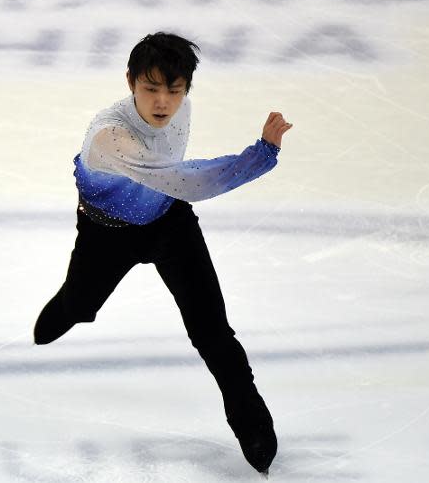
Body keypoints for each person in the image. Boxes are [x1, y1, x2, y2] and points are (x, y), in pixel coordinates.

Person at [34, 32, 293, 475]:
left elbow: (175, 184)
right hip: (106, 233)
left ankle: (253, 426)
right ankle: (70, 305)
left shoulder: (180, 108)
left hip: (170, 225)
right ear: (130, 81)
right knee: (79, 304)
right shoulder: (110, 137)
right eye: (151, 88)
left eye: (174, 91)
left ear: (186, 89)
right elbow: (187, 180)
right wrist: (261, 155)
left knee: (213, 331)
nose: (162, 102)